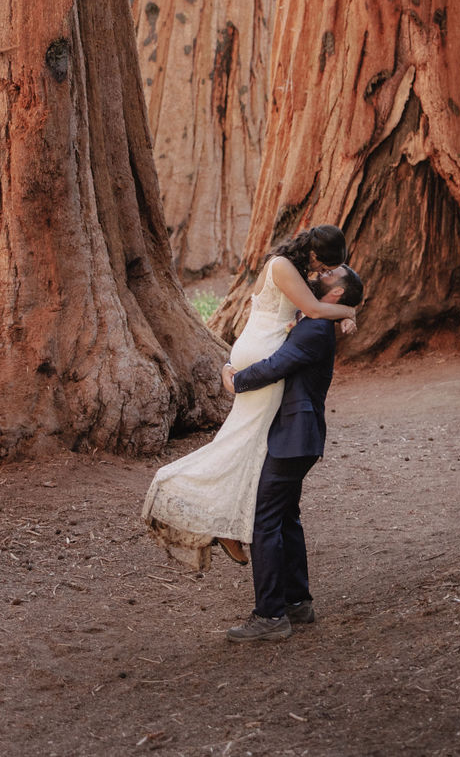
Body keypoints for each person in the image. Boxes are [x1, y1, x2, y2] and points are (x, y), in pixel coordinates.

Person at [142, 225, 357, 570]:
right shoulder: (284, 266)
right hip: (262, 357)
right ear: (315, 254)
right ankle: (194, 500)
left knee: (250, 442)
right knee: (244, 443)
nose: (322, 274)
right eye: (324, 267)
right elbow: (316, 310)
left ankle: (227, 524)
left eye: (327, 272)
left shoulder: (289, 265)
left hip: (255, 349)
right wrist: (348, 312)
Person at [223, 261, 364, 642]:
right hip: (297, 435)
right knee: (284, 516)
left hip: (294, 436)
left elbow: (276, 366)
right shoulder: (314, 321)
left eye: (329, 275)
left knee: (264, 519)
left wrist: (235, 379)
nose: (318, 275)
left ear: (336, 294)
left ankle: (270, 616)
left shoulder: (316, 328)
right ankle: (298, 602)